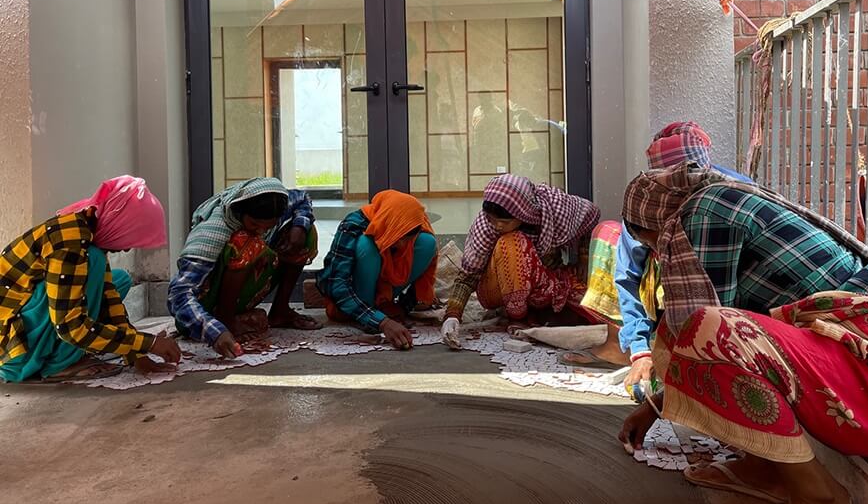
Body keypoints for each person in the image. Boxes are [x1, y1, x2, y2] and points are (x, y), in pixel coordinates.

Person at [616, 164, 868, 504]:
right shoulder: (721, 200)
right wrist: (656, 405)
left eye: (650, 243)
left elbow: (708, 338)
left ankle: (817, 498)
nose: (656, 253)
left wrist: (655, 404)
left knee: (703, 328)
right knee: (691, 326)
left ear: (655, 222)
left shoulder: (704, 214)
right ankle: (769, 468)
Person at [570, 122, 751, 375]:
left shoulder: (716, 207)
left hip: (743, 310)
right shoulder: (652, 204)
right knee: (610, 233)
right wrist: (640, 350)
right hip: (715, 310)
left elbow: (717, 300)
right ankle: (622, 346)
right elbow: (627, 276)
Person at [0, 176, 182, 382]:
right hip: (12, 353)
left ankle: (62, 353)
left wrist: (135, 355)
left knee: (119, 279)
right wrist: (148, 343)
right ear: (119, 223)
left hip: (24, 332)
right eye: (130, 237)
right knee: (92, 264)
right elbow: (70, 326)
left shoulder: (87, 234)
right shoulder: (71, 242)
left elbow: (109, 301)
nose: (127, 248)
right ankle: (61, 363)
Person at [441, 174, 600, 349]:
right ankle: (518, 316)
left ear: (523, 213)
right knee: (512, 242)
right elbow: (468, 277)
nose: (497, 226)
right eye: (492, 220)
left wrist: (583, 258)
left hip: (541, 278)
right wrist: (452, 315)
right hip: (496, 288)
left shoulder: (554, 207)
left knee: (590, 296)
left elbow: (589, 216)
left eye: (504, 221)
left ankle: (538, 310)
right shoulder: (486, 225)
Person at [168, 178, 320, 359]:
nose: (261, 231)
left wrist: (299, 226)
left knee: (306, 232)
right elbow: (178, 295)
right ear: (240, 212)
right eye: (255, 225)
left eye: (268, 227)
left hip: (242, 295)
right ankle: (226, 320)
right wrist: (214, 331)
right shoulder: (211, 232)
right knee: (246, 241)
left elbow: (302, 199)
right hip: (204, 309)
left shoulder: (278, 204)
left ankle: (280, 311)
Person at [316, 190, 437, 350]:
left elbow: (424, 273)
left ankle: (383, 305)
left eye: (407, 239)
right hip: (351, 301)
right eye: (399, 237)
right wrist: (382, 322)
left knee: (428, 243)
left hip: (384, 296)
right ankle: (370, 313)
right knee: (367, 245)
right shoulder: (352, 226)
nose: (402, 246)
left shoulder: (415, 225)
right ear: (389, 222)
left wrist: (403, 307)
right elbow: (335, 285)